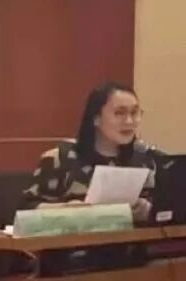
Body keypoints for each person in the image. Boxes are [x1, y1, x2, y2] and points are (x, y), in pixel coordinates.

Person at [20, 81, 164, 222]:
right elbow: (25, 210)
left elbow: (164, 209)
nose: (129, 121)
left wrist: (149, 210)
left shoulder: (146, 159)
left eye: (134, 113)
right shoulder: (61, 158)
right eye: (119, 113)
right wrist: (64, 209)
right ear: (96, 118)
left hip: (131, 237)